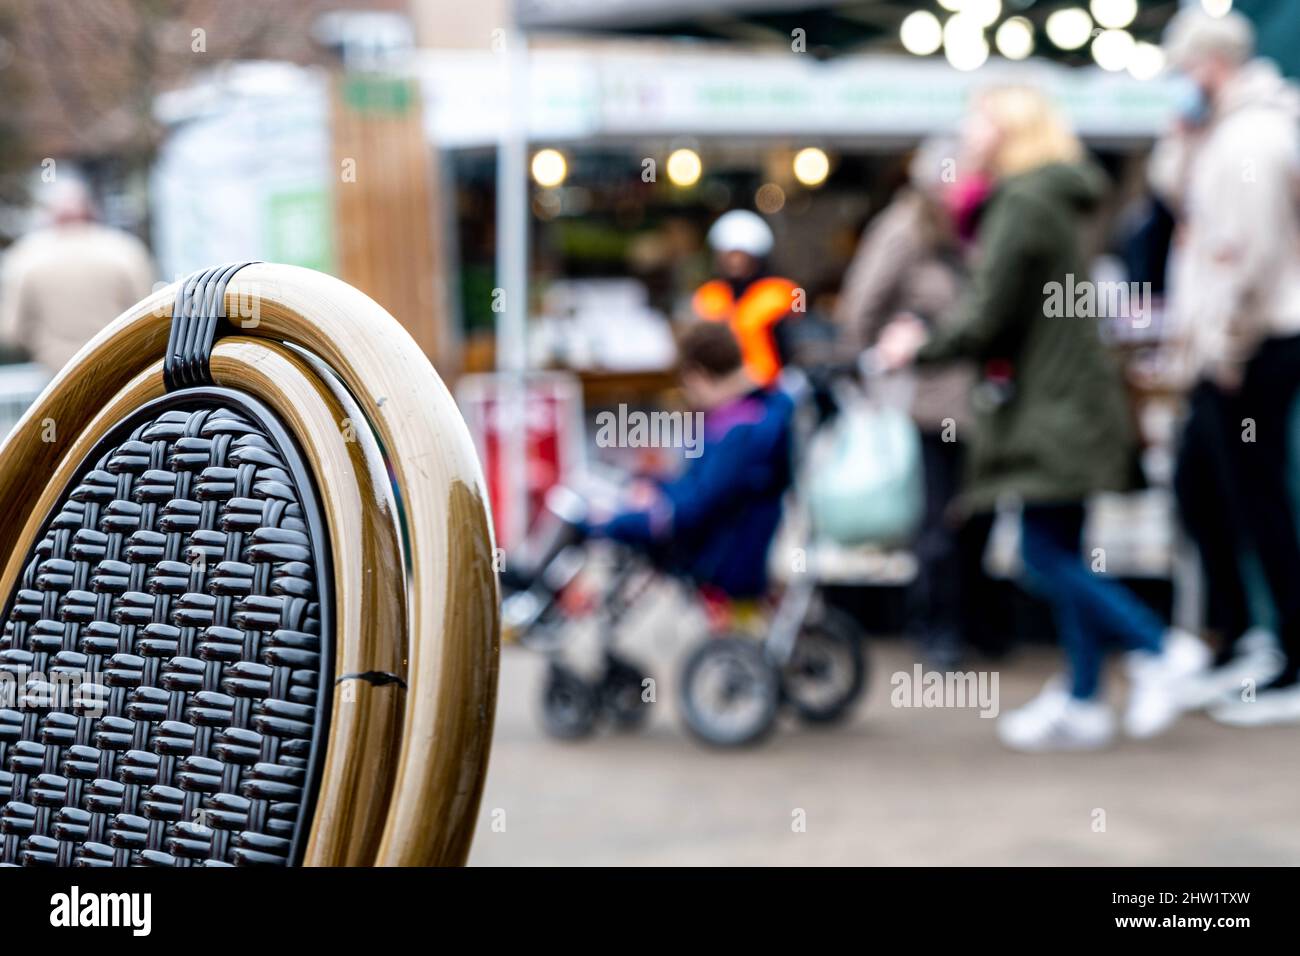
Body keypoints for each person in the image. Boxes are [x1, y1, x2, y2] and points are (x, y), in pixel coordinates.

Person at [879, 86, 1207, 751]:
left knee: (1040, 553)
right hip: (1069, 398)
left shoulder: (1022, 202)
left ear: (1006, 131)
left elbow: (986, 314)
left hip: (1051, 406)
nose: (967, 134)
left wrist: (918, 346)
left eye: (977, 121)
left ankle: (1160, 648)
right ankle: (1085, 699)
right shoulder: (1049, 197)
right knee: (1059, 544)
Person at [1149, 9, 1300, 725]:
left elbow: (1252, 251)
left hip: (1255, 346)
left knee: (1253, 498)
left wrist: (1231, 346)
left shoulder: (1258, 135)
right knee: (1203, 492)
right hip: (1225, 350)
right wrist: (1184, 141)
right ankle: (1237, 636)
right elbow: (1176, 200)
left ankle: (1289, 656)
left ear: (1209, 64)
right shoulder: (1219, 133)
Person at [834, 138, 994, 667]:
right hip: (933, 401)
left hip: (985, 401)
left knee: (979, 515)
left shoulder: (979, 227)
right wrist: (888, 354)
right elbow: (861, 311)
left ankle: (977, 621)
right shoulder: (903, 230)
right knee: (940, 521)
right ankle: (937, 626)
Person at [590, 320, 793, 600]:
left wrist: (615, 521)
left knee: (590, 527)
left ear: (697, 376)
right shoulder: (761, 413)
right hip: (727, 550)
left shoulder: (738, 430)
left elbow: (694, 508)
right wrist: (656, 487)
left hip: (715, 564)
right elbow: (702, 493)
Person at [0, 177, 155, 374]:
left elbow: (11, 332)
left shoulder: (25, 256)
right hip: (116, 366)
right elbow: (147, 313)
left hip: (55, 374)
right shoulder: (125, 250)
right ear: (90, 210)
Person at [692, 210, 798, 387]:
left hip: (772, 389)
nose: (735, 261)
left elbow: (797, 340)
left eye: (741, 254)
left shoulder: (783, 292)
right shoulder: (709, 296)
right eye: (729, 254)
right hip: (723, 388)